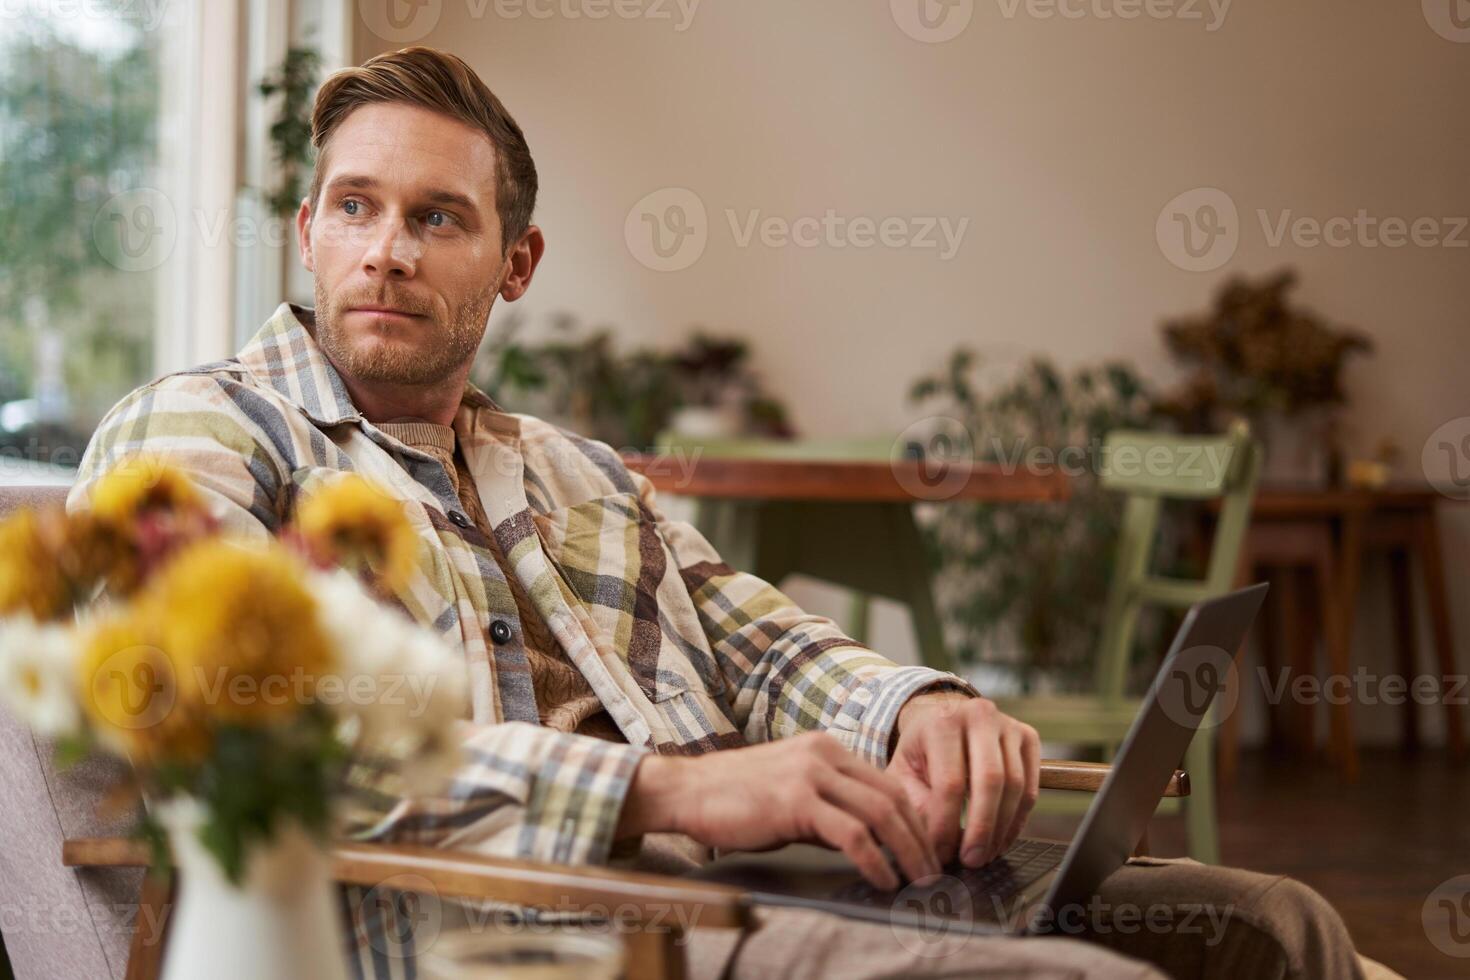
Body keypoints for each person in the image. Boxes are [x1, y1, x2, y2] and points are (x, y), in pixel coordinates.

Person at [68, 46, 1377, 980]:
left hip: (738, 889)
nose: (386, 249)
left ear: (514, 264)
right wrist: (662, 794)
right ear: (307, 231)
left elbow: (762, 640)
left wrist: (916, 708)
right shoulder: (208, 430)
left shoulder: (572, 470)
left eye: (436, 217)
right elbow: (253, 744)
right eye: (354, 207)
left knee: (1268, 922)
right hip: (492, 923)